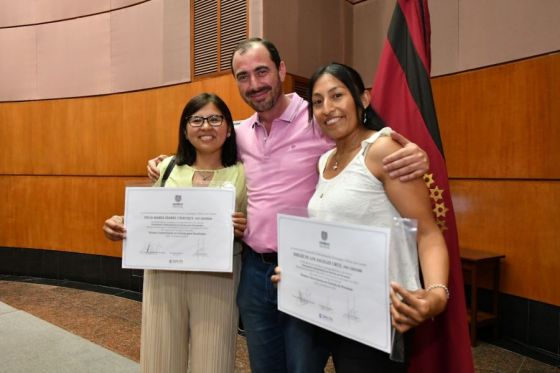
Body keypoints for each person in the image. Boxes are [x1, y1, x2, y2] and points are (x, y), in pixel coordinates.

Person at [146, 38, 429, 373]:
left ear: (281, 70)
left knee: (301, 368)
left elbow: (363, 139)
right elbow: (201, 145)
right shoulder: (239, 133)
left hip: (309, 269)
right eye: (243, 76)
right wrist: (166, 159)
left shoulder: (317, 117)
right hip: (254, 272)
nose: (254, 84)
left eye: (262, 71)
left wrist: (413, 149)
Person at [272, 62, 449, 372]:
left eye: (337, 95)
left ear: (363, 99)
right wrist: (299, 271)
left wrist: (436, 294)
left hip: (379, 313)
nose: (327, 108)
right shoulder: (326, 160)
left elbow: (428, 233)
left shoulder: (382, 150)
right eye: (317, 101)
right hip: (337, 307)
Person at [103, 93, 247, 373]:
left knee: (214, 362)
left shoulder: (244, 172)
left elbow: (256, 222)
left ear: (229, 128)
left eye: (215, 119)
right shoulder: (167, 167)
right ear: (184, 128)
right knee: (160, 359)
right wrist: (119, 224)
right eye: (197, 119)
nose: (206, 126)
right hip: (162, 276)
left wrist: (245, 226)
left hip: (218, 277)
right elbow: (146, 217)